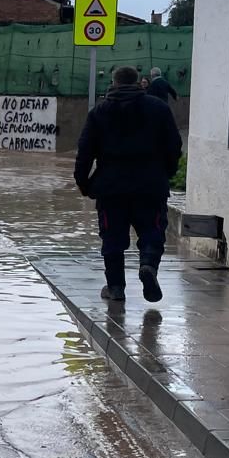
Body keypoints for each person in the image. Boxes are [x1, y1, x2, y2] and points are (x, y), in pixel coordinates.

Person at [75, 65, 183, 303]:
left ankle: (115, 288)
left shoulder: (99, 112)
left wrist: (84, 184)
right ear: (138, 83)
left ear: (113, 83)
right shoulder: (159, 108)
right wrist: (167, 173)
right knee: (153, 230)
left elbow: (84, 152)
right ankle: (148, 266)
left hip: (111, 188)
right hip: (151, 185)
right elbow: (174, 145)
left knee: (112, 237)